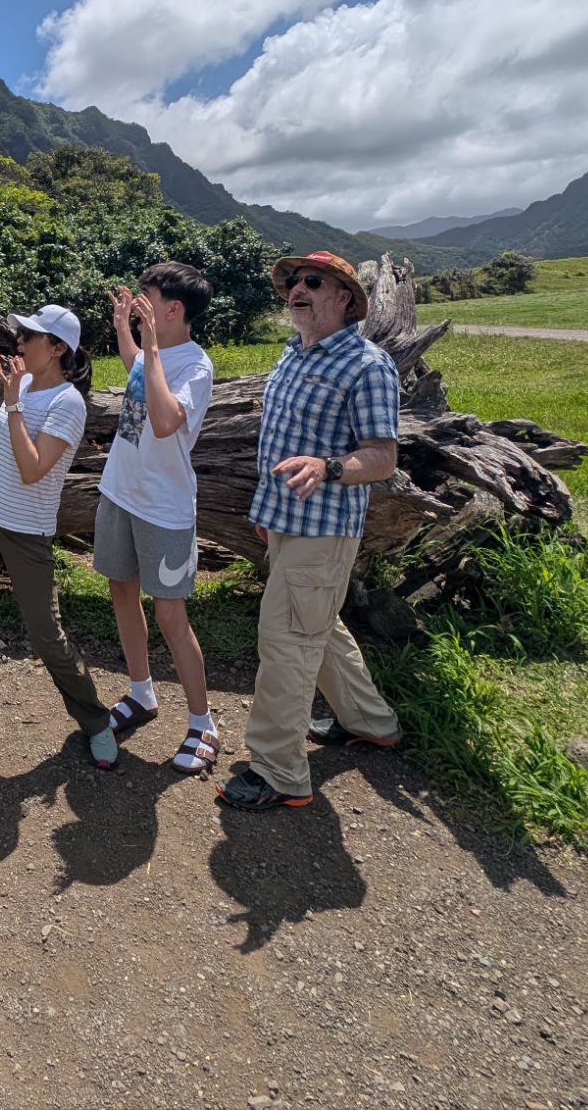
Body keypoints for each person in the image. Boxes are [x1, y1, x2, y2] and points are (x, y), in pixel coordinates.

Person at [218, 251, 404, 813]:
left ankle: (279, 772)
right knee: (314, 626)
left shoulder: (367, 365)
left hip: (324, 528)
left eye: (313, 281)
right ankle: (371, 722)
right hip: (284, 522)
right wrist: (266, 508)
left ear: (344, 298)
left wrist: (329, 467)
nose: (298, 288)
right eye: (294, 281)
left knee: (286, 640)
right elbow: (278, 442)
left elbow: (382, 456)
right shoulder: (293, 353)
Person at [0, 303, 118, 770]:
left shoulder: (67, 403)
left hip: (26, 532)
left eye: (30, 335)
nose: (19, 340)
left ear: (57, 348)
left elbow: (33, 469)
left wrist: (13, 402)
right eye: (23, 333)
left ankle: (97, 721)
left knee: (47, 637)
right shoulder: (24, 386)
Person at [95, 261, 220, 772]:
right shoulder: (154, 351)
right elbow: (136, 375)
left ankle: (202, 722)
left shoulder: (195, 365)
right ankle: (141, 692)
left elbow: (166, 421)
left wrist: (147, 347)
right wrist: (126, 331)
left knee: (171, 615)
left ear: (174, 309)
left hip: (164, 508)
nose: (141, 306)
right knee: (121, 591)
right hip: (119, 491)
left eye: (148, 299)